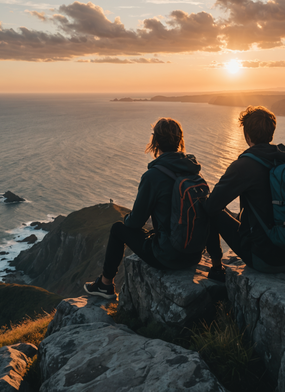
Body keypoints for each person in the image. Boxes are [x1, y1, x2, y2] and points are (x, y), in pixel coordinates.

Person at [84, 117, 205, 299]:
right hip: (194, 253)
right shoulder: (193, 170)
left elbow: (135, 223)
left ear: (155, 141)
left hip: (168, 256)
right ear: (180, 140)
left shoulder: (153, 176)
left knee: (118, 229)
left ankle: (105, 284)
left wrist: (127, 220)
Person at [205, 105, 285, 277]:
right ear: (271, 133)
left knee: (210, 209)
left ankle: (217, 268)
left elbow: (211, 206)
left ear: (246, 134)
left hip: (265, 259)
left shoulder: (243, 166)